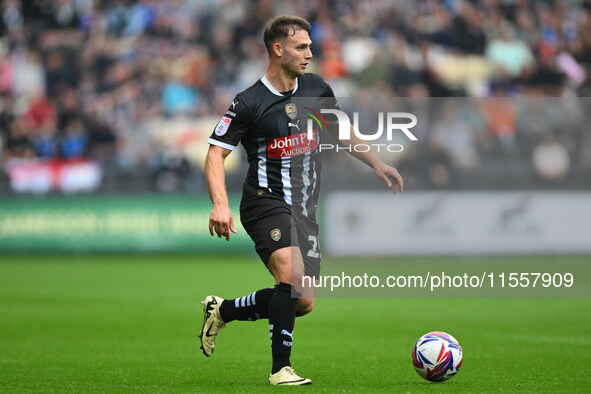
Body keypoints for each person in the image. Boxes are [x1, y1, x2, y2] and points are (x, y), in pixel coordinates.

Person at [200, 15, 403, 386]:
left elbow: (340, 129)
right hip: (264, 202)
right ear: (277, 50)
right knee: (292, 277)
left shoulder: (315, 87)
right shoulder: (248, 102)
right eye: (301, 47)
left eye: (310, 45)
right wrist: (220, 204)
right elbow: (215, 154)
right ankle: (281, 369)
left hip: (305, 209)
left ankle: (223, 310)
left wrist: (376, 162)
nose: (310, 53)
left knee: (302, 300)